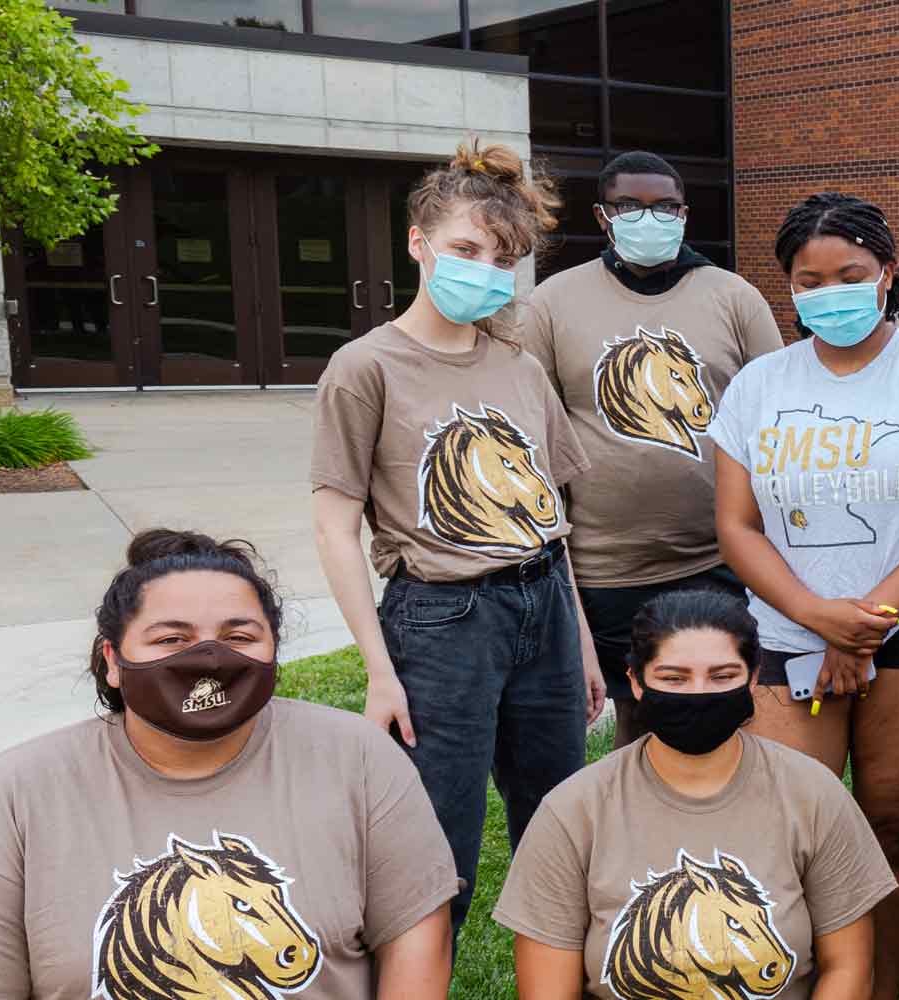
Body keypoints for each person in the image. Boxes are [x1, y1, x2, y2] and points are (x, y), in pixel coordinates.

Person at [0, 530, 458, 1000]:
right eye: (170, 639)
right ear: (112, 660)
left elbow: (416, 941)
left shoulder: (357, 759)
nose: (209, 658)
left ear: (274, 650)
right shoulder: (12, 797)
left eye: (239, 635)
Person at [710, 191, 899, 1000]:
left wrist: (863, 625)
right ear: (788, 287)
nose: (829, 293)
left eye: (849, 275)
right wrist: (818, 618)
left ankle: (879, 990)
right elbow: (736, 525)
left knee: (898, 826)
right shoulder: (759, 385)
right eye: (809, 281)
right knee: (791, 833)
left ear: (888, 273)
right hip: (788, 631)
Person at [309, 140, 595, 921]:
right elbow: (334, 529)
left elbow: (549, 519)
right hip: (443, 623)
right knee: (439, 852)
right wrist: (379, 671)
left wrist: (579, 639)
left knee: (563, 834)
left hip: (544, 609)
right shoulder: (364, 368)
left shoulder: (520, 366)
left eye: (504, 259)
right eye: (466, 249)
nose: (486, 270)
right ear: (418, 242)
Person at [493, 590, 891, 1000]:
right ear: (636, 682)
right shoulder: (572, 811)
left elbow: (849, 968)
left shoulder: (814, 794)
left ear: (753, 678)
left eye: (722, 676)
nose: (699, 694)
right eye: (673, 678)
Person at [527, 149, 783, 746]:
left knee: (733, 712)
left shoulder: (734, 296)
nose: (650, 218)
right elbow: (535, 432)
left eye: (665, 207)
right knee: (640, 717)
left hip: (719, 558)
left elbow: (777, 418)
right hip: (607, 565)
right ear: (602, 215)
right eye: (629, 206)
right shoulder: (552, 303)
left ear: (684, 213)